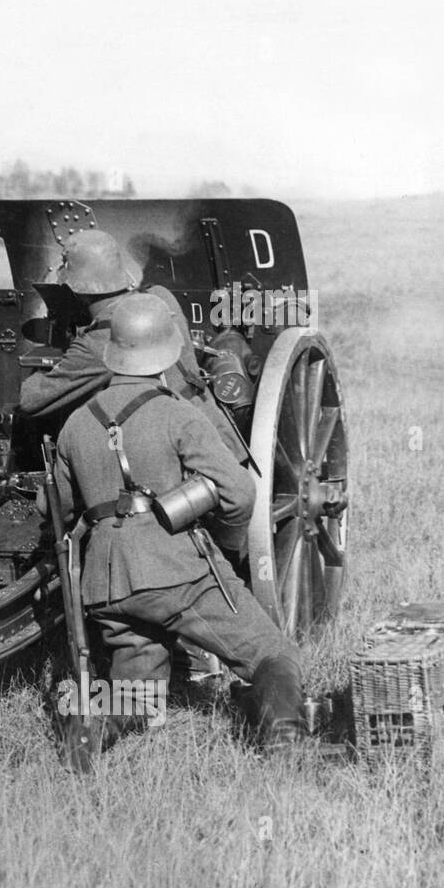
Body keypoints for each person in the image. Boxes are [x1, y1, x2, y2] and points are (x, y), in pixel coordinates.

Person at [49, 293, 304, 751]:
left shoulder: (75, 424)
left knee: (137, 694)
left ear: (115, 353)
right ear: (167, 353)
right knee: (272, 652)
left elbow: (65, 514)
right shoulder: (177, 413)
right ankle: (287, 743)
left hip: (107, 585)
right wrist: (208, 524)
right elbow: (240, 493)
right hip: (179, 574)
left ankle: (89, 734)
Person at [18, 229, 246, 467]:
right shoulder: (161, 297)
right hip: (220, 439)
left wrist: (53, 360)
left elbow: (31, 401)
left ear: (77, 290)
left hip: (186, 460)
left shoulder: (98, 342)